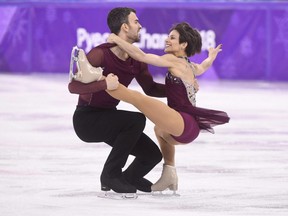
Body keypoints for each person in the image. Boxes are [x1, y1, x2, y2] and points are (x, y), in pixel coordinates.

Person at [106, 22, 230, 193]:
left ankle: (103, 82)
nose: (167, 40)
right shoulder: (191, 66)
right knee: (159, 130)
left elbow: (142, 56)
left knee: (138, 99)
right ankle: (169, 172)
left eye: (172, 38)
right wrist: (211, 57)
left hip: (183, 122)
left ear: (183, 45)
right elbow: (203, 66)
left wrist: (116, 40)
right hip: (186, 128)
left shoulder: (174, 60)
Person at [68, 7, 167, 194]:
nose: (140, 25)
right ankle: (110, 175)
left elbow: (151, 88)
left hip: (111, 120)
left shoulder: (136, 59)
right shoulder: (100, 54)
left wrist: (178, 89)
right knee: (136, 120)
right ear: (125, 27)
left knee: (152, 155)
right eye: (136, 22)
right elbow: (73, 87)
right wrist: (104, 84)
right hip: (87, 120)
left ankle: (128, 178)